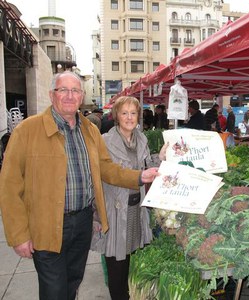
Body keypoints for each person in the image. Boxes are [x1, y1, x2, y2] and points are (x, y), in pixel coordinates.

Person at [0, 71, 159, 300]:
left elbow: (107, 169)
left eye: (75, 90)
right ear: (51, 95)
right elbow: (9, 185)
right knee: (54, 290)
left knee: (72, 284)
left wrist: (139, 176)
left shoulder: (90, 131)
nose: (69, 95)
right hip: (47, 225)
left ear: (82, 96)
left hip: (82, 223)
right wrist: (18, 234)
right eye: (62, 90)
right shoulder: (27, 130)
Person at [91, 96, 157, 300]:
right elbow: (97, 178)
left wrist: (161, 157)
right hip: (115, 212)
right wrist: (97, 216)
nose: (129, 117)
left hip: (136, 211)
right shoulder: (104, 141)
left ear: (139, 115)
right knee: (117, 268)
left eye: (133, 113)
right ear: (116, 116)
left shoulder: (142, 139)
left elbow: (146, 167)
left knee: (131, 264)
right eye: (124, 113)